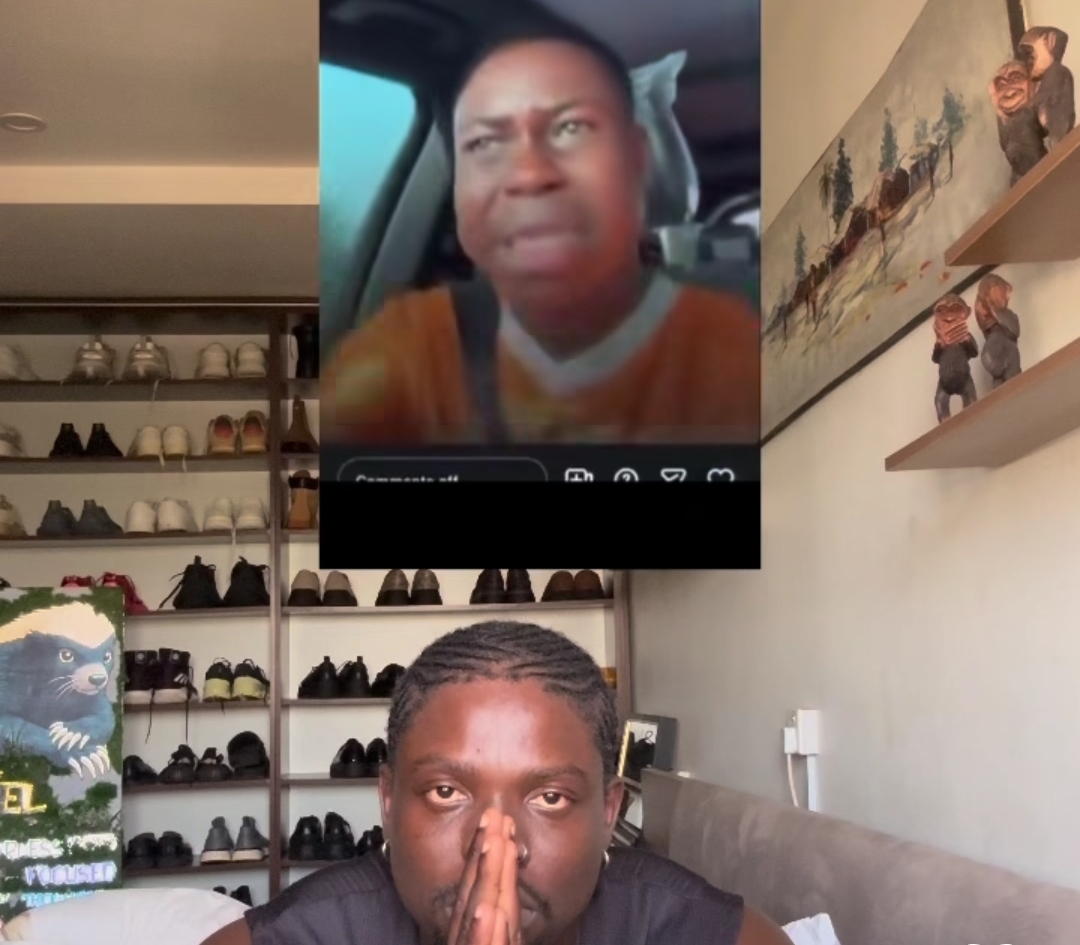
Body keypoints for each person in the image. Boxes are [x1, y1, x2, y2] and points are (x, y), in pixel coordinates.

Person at [201, 621, 791, 945]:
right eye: (446, 793)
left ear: (610, 812)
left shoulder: (712, 935)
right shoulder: (288, 940)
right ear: (387, 800)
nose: (494, 845)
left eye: (550, 797)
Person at [321, 21, 760, 445]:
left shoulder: (745, 347)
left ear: (637, 160)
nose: (528, 175)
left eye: (572, 127)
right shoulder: (413, 348)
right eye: (484, 143)